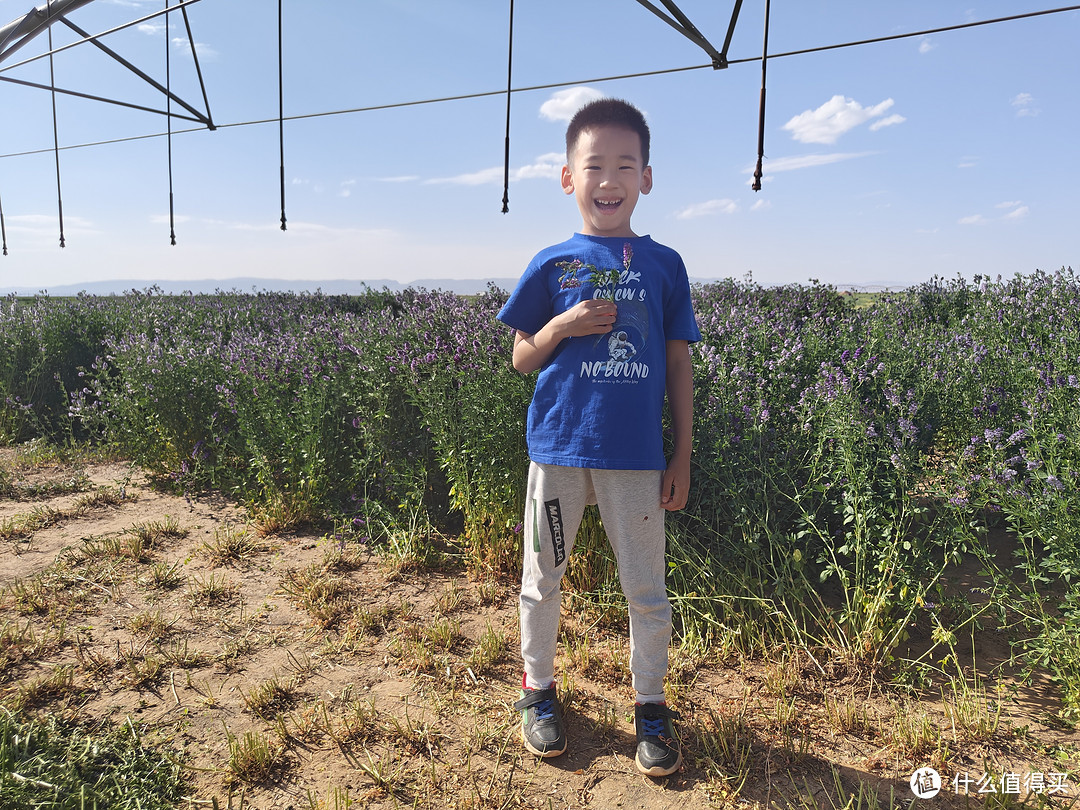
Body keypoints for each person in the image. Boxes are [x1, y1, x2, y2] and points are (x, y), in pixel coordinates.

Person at [496, 97, 700, 777]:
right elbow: (523, 357)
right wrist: (562, 328)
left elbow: (678, 363)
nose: (608, 179)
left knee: (646, 590)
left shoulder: (666, 264)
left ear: (646, 177)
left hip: (636, 463)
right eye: (594, 166)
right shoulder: (553, 264)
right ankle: (538, 692)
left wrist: (682, 454)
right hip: (556, 452)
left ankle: (650, 709)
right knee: (540, 579)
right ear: (567, 178)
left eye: (624, 165)